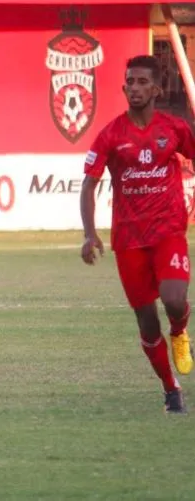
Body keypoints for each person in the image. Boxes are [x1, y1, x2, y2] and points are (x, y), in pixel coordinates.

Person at [80, 54, 195, 414]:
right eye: (130, 82)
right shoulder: (112, 134)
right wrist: (89, 233)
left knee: (174, 298)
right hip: (128, 240)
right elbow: (88, 184)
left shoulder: (174, 129)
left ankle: (179, 331)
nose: (135, 88)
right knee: (146, 320)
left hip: (168, 231)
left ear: (157, 89)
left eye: (143, 82)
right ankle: (170, 388)